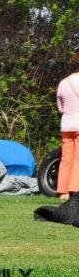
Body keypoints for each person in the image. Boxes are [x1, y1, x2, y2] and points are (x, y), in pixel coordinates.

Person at [56, 71, 79, 201]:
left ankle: (63, 191)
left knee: (66, 159)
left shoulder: (63, 83)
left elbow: (60, 108)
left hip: (66, 125)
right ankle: (75, 189)